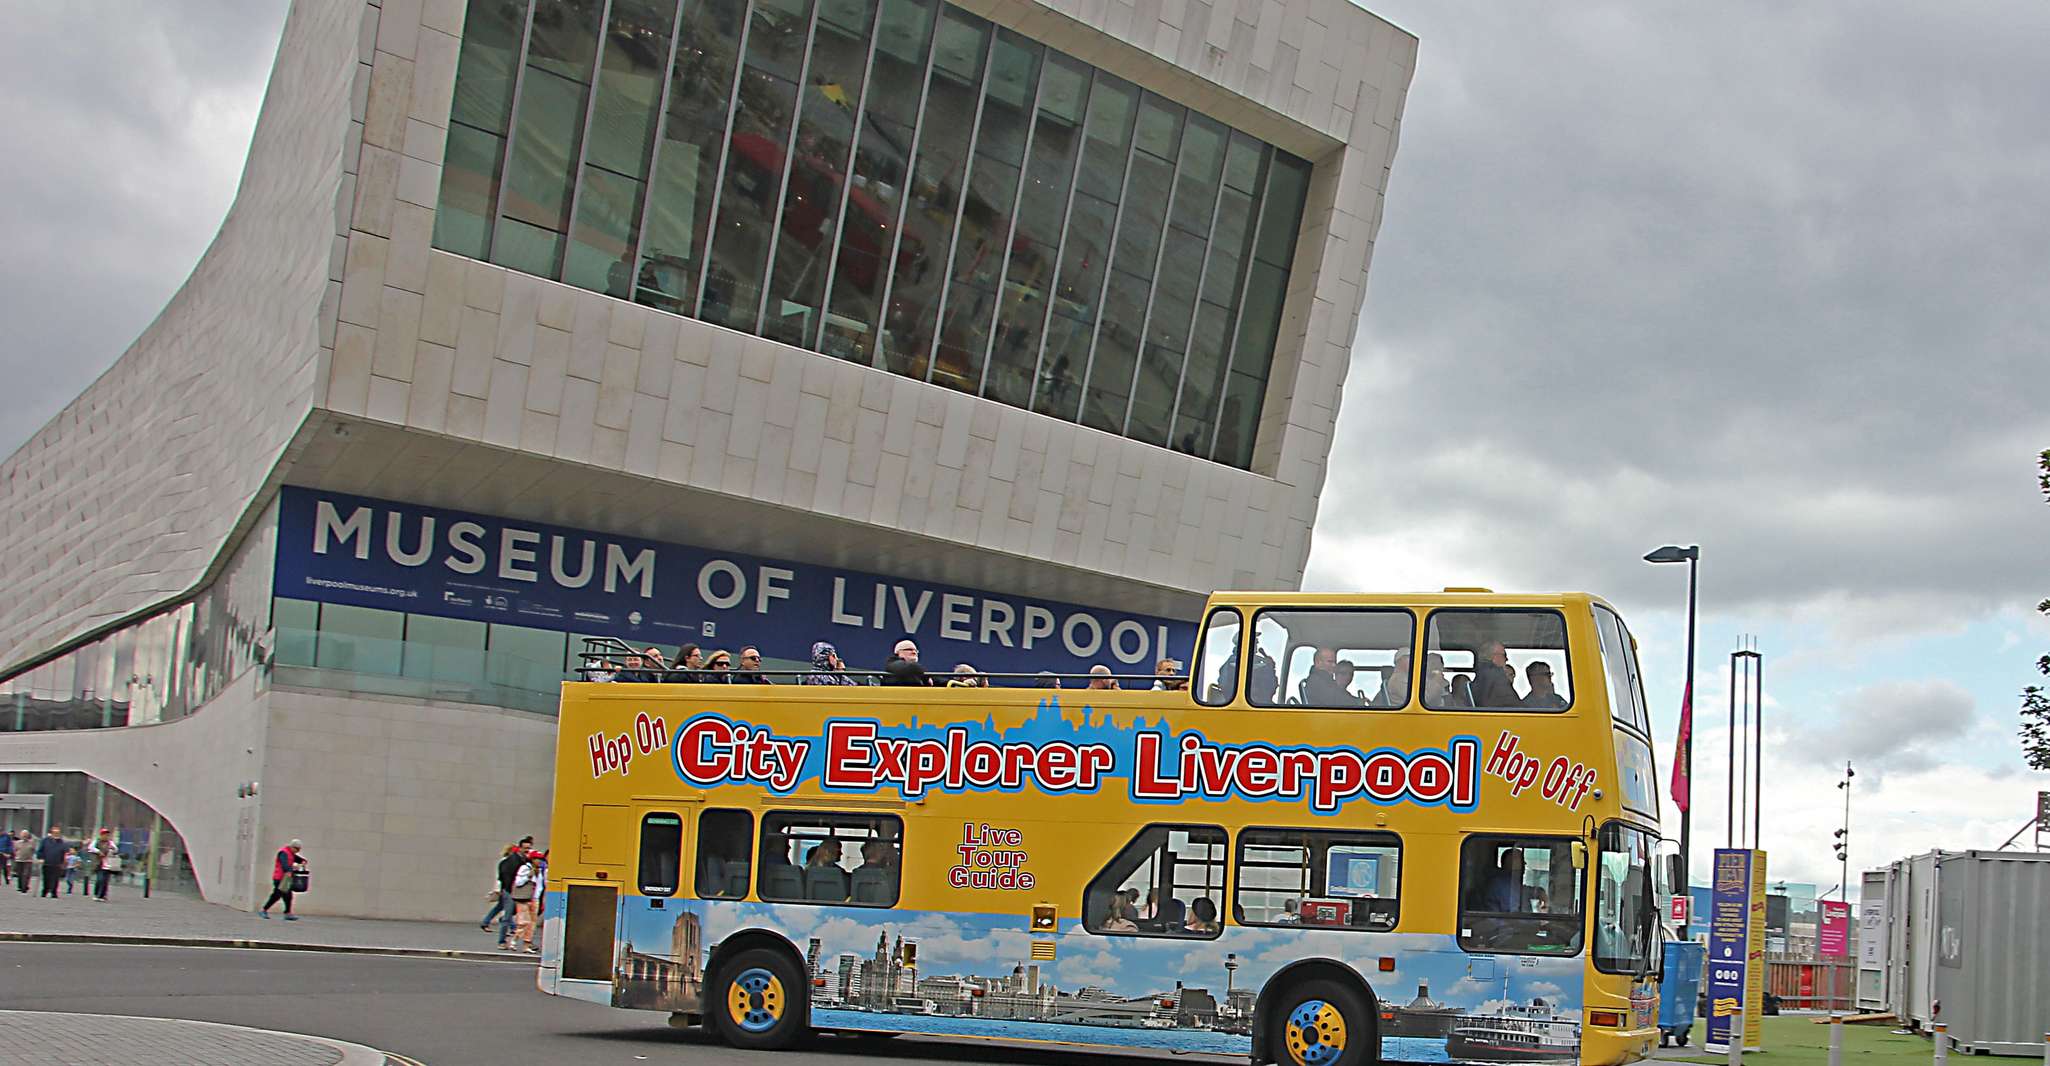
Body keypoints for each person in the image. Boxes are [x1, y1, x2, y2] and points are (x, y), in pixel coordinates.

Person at [482, 838, 530, 937]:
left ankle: (487, 922)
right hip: (507, 889)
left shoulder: (514, 860)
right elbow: (503, 877)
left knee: (501, 907)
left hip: (506, 889)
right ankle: (507, 930)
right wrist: (503, 888)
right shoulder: (508, 861)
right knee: (508, 910)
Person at [508, 850, 546, 952]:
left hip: (535, 899)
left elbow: (541, 885)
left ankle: (526, 945)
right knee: (523, 921)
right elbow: (518, 882)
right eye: (537, 859)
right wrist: (528, 876)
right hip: (524, 898)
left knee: (532, 923)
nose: (539, 861)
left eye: (540, 859)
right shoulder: (525, 868)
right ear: (532, 859)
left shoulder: (541, 870)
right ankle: (514, 940)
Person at [260, 839, 303, 919]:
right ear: (292, 847)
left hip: (286, 879)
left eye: (299, 849)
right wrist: (293, 868)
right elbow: (284, 866)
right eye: (297, 849)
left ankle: (287, 913)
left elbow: (300, 860)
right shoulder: (283, 853)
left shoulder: (291, 854)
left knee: (288, 896)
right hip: (279, 878)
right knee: (277, 895)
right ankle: (264, 910)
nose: (298, 851)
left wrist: (303, 862)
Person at [1470, 641, 1521, 708]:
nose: (1507, 659)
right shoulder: (1498, 677)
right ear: (1495, 656)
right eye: (1504, 655)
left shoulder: (1482, 675)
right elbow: (1513, 704)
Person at [86, 828, 122, 902]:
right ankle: (97, 894)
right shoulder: (96, 841)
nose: (106, 836)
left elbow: (116, 849)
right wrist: (98, 851)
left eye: (107, 834)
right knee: (100, 879)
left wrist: (112, 849)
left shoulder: (110, 843)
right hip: (99, 863)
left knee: (105, 881)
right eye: (104, 834)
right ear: (101, 835)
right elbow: (90, 847)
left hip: (108, 865)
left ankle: (103, 895)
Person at [37, 825, 67, 898]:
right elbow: (40, 851)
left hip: (57, 863)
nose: (56, 833)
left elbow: (64, 852)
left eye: (57, 831)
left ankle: (54, 892)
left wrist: (64, 861)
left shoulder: (61, 842)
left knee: (55, 879)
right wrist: (40, 858)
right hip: (46, 863)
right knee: (46, 878)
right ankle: (45, 891)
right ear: (52, 832)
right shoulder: (45, 840)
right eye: (55, 831)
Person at [11, 830, 34, 894]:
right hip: (19, 860)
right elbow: (14, 850)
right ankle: (21, 886)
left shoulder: (31, 843)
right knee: (20, 874)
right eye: (23, 834)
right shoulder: (17, 842)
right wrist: (16, 856)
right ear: (21, 835)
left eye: (26, 834)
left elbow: (33, 850)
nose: (24, 836)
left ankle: (24, 887)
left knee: (26, 874)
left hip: (28, 861)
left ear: (28, 835)